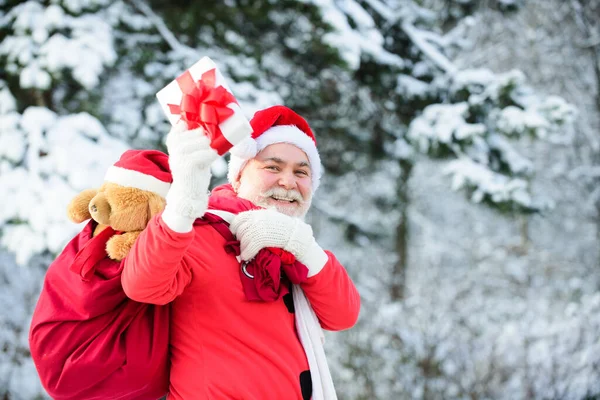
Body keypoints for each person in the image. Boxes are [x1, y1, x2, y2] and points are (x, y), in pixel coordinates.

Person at [121, 105, 360, 400]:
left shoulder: (295, 247)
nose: (288, 181)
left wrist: (303, 246)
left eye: (301, 172)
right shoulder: (198, 230)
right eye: (273, 167)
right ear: (238, 177)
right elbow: (143, 285)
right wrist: (182, 203)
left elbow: (343, 315)